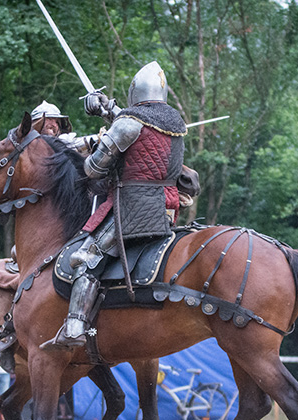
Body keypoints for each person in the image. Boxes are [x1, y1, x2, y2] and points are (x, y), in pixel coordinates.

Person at [40, 61, 187, 351]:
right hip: (166, 207)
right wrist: (108, 110)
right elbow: (138, 134)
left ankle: (74, 327)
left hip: (134, 208)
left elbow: (94, 169)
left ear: (135, 91)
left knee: (87, 258)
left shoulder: (130, 122)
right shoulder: (173, 123)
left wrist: (96, 146)